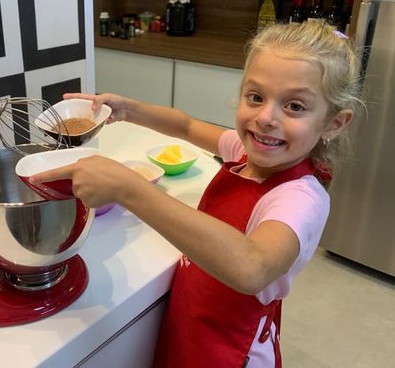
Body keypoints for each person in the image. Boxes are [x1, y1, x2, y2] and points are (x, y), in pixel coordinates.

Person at [30, 20, 363, 367]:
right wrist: (128, 110)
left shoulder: (300, 198)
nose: (265, 117)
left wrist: (129, 188)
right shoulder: (243, 153)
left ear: (333, 123)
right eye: (256, 97)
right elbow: (186, 126)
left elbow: (252, 267)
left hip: (230, 351)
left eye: (294, 106)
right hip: (192, 324)